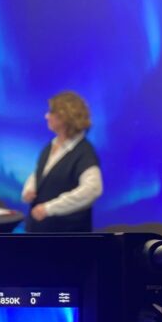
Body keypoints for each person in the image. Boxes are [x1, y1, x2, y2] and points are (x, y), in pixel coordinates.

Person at [21, 91, 102, 233]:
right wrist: (29, 189)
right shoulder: (50, 146)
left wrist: (49, 208)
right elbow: (40, 173)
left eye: (51, 112)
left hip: (67, 236)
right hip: (41, 232)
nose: (46, 116)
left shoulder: (84, 152)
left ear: (65, 117)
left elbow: (92, 189)